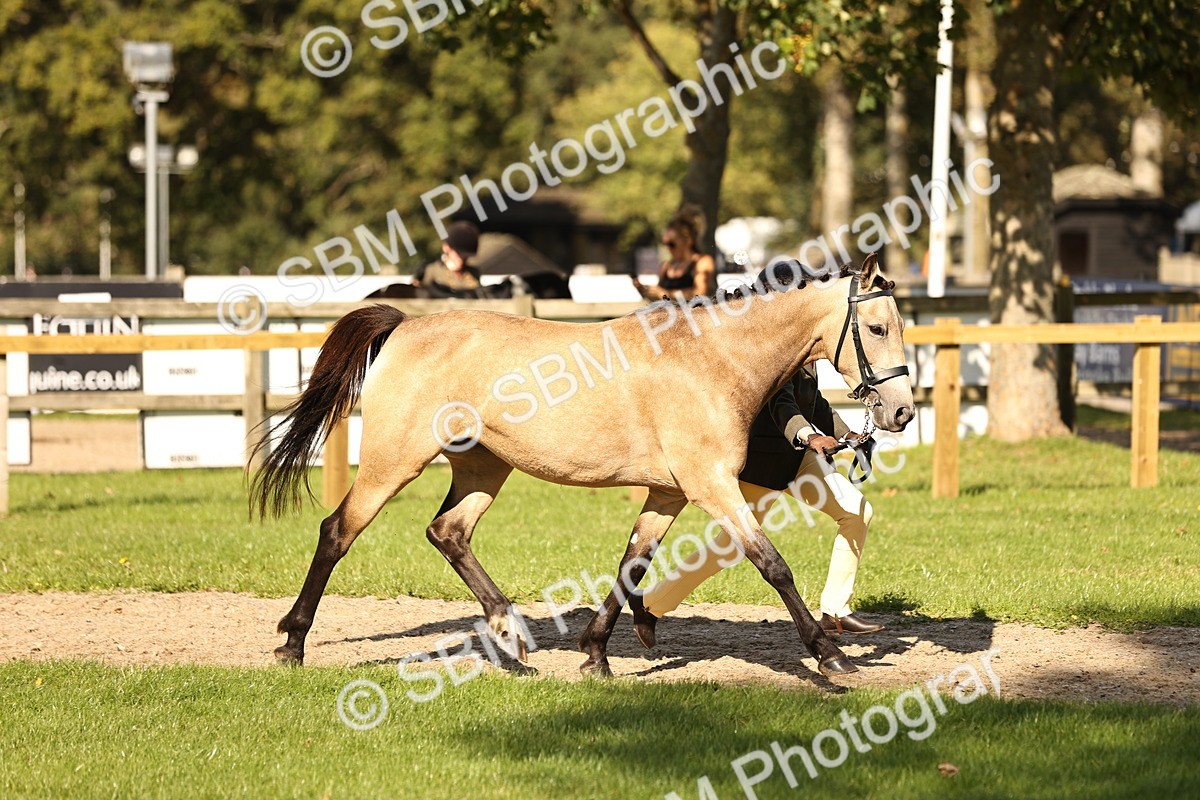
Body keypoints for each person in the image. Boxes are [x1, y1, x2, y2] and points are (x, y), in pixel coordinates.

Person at [628, 263, 886, 647]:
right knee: (725, 550)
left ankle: (836, 609)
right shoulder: (758, 349)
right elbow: (782, 405)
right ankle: (648, 606)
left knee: (856, 511)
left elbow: (811, 399)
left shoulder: (804, 340)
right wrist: (808, 436)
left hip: (797, 461)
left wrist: (847, 433)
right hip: (761, 464)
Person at [633, 205, 716, 301]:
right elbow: (660, 298)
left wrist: (666, 294)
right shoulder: (665, 266)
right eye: (665, 243)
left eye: (671, 244)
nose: (667, 248)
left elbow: (700, 293)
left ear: (688, 240)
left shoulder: (703, 261)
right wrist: (645, 291)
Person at [413, 221, 485, 298]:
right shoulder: (432, 271)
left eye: (465, 256)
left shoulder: (473, 273)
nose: (462, 259)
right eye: (458, 253)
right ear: (447, 248)